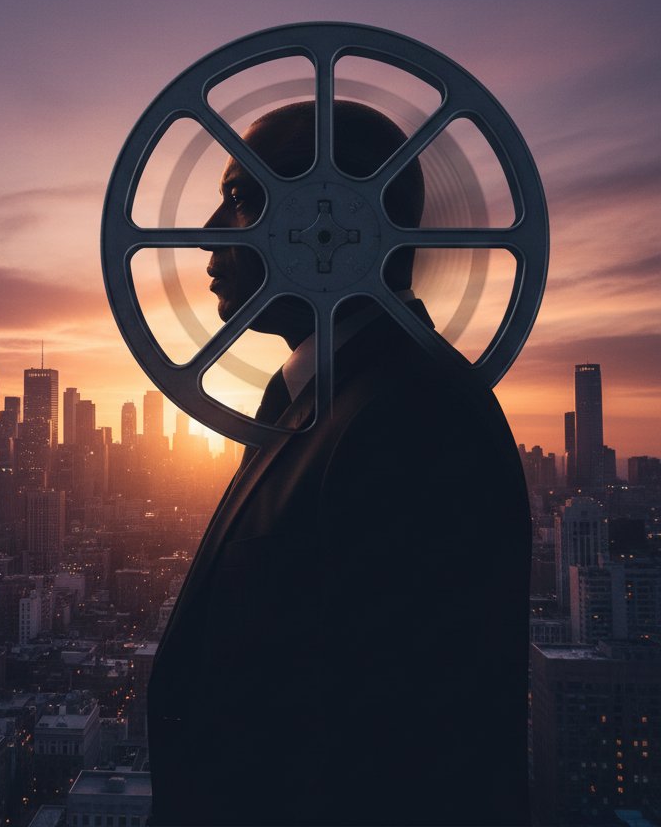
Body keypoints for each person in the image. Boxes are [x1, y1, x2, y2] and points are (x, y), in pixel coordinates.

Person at [147, 101, 531, 826]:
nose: (208, 232)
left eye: (238, 198)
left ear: (330, 223)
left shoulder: (413, 423)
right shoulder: (341, 402)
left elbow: (405, 760)